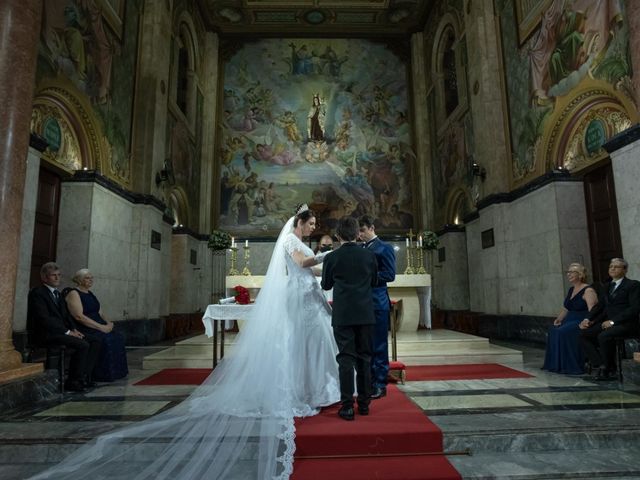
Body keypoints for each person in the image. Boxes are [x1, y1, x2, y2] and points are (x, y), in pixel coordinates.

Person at [31, 205, 339, 480]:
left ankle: (312, 387)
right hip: (300, 302)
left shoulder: (299, 241)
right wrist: (331, 254)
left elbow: (308, 266)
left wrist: (327, 265)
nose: (314, 227)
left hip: (307, 301)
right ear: (300, 222)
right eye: (311, 223)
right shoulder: (291, 240)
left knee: (307, 346)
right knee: (300, 346)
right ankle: (305, 389)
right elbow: (301, 263)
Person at [322, 216, 378, 421]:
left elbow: (326, 285)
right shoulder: (369, 256)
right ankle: (364, 404)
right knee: (364, 357)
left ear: (337, 236)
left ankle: (347, 406)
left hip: (343, 315)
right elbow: (374, 281)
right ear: (357, 234)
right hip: (365, 313)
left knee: (345, 359)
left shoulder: (332, 258)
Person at [27, 262, 101, 392]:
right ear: (44, 277)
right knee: (82, 344)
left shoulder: (58, 293)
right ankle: (73, 381)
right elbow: (44, 319)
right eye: (53, 275)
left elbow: (67, 316)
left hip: (62, 333)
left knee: (95, 340)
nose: (57, 278)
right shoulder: (38, 293)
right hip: (46, 334)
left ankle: (84, 376)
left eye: (59, 275)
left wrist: (74, 329)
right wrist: (67, 332)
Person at [579, 258, 640, 381]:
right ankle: (601, 364)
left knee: (604, 336)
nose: (612, 269)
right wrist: (588, 319)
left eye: (616, 267)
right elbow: (599, 306)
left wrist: (613, 322)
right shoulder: (606, 286)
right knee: (583, 334)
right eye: (610, 266)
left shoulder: (633, 285)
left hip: (626, 324)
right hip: (607, 323)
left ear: (625, 270)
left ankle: (608, 370)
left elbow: (634, 309)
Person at [64, 269, 128, 382]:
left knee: (118, 337)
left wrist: (108, 324)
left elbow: (100, 312)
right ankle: (98, 374)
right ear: (79, 280)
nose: (91, 280)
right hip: (85, 327)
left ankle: (117, 373)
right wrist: (101, 327)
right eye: (87, 278)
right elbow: (78, 316)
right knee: (105, 339)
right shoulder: (74, 293)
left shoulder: (90, 293)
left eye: (91, 278)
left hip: (98, 324)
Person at [358, 215, 396, 399]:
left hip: (378, 302)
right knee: (366, 345)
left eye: (362, 230)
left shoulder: (384, 247)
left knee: (379, 345)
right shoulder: (361, 248)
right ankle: (369, 380)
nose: (360, 234)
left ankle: (381, 383)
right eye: (358, 231)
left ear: (372, 228)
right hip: (363, 303)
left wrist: (367, 277)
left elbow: (389, 275)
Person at [542, 263, 597, 374]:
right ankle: (555, 364)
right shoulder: (571, 289)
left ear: (580, 275)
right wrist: (559, 319)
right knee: (553, 329)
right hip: (569, 319)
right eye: (568, 272)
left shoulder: (588, 290)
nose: (569, 274)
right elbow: (566, 308)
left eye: (572, 272)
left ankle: (568, 365)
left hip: (580, 320)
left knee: (562, 332)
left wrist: (587, 322)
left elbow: (593, 310)